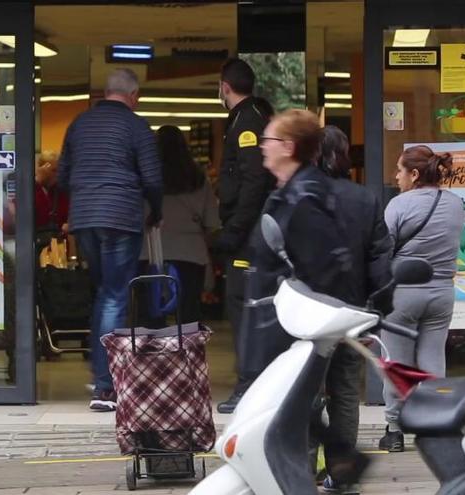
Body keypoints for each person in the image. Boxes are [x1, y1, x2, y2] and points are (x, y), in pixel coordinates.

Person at [247, 109, 367, 491]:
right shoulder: (291, 191)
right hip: (290, 325)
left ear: (288, 147)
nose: (262, 147)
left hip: (301, 329)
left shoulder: (305, 196)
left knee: (298, 407)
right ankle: (333, 463)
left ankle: (313, 469)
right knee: (303, 405)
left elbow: (322, 267)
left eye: (268, 140)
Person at [58, 68, 163, 412]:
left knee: (104, 294)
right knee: (115, 297)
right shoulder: (137, 126)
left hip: (85, 218)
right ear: (134, 96)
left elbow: (62, 175)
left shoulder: (78, 124)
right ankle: (107, 387)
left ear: (105, 92)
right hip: (120, 216)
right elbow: (151, 178)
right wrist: (156, 211)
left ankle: (100, 374)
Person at [313, 126, 394, 495]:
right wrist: (378, 306)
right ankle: (341, 475)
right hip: (352, 311)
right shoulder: (365, 199)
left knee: (307, 393)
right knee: (345, 392)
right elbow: (380, 256)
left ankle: (300, 467)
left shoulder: (301, 196)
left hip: (309, 313)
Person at [378, 145, 464, 453]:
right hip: (441, 293)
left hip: (403, 294)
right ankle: (436, 426)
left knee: (397, 363)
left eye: (400, 170)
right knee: (432, 359)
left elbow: (383, 250)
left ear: (414, 175)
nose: (396, 176)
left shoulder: (398, 205)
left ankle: (395, 429)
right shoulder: (455, 204)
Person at [214, 58, 276, 414]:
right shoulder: (250, 116)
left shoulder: (247, 121)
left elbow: (254, 180)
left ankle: (250, 384)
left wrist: (234, 230)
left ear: (225, 86)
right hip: (250, 230)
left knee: (244, 309)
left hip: (249, 234)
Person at [140, 125, 221, 325]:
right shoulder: (199, 178)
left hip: (149, 251)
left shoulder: (143, 178)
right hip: (191, 254)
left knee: (151, 316)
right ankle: (187, 355)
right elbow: (212, 222)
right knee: (189, 317)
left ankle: (154, 354)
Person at [34, 150, 69, 233]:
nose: (57, 175)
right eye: (53, 170)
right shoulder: (31, 188)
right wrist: (37, 182)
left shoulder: (62, 191)